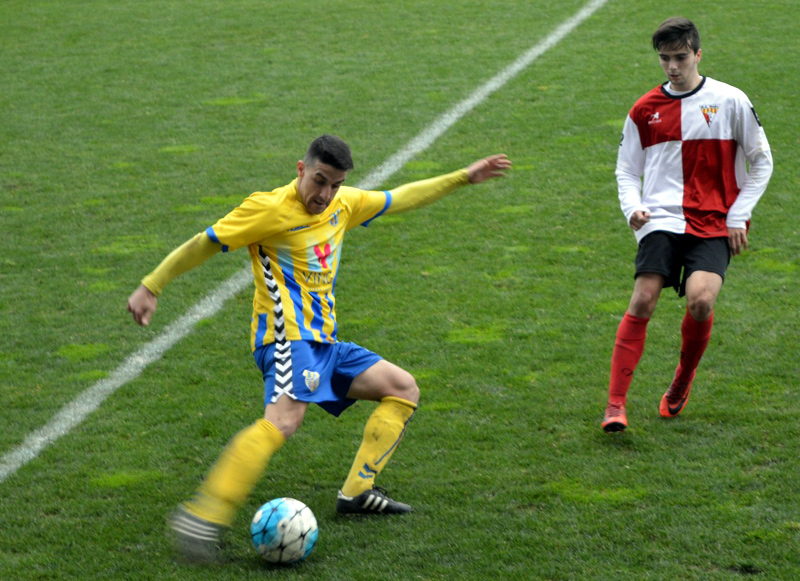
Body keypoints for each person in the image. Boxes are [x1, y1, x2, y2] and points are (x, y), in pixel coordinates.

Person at [127, 134, 511, 561]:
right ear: (300, 169)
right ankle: (203, 514)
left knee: (402, 388)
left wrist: (464, 177)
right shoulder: (268, 209)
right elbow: (204, 242)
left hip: (325, 344)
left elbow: (399, 197)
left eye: (335, 184)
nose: (325, 195)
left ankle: (357, 493)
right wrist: (152, 285)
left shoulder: (344, 203)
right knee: (284, 422)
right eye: (319, 180)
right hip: (286, 341)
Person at [602, 17, 773, 432]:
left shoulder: (730, 100)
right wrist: (633, 209)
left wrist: (737, 215)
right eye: (665, 59)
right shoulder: (645, 109)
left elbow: (762, 161)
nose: (672, 67)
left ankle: (681, 381)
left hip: (714, 221)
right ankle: (615, 405)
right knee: (643, 299)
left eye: (680, 57)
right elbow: (626, 171)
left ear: (698, 54)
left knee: (701, 301)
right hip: (660, 218)